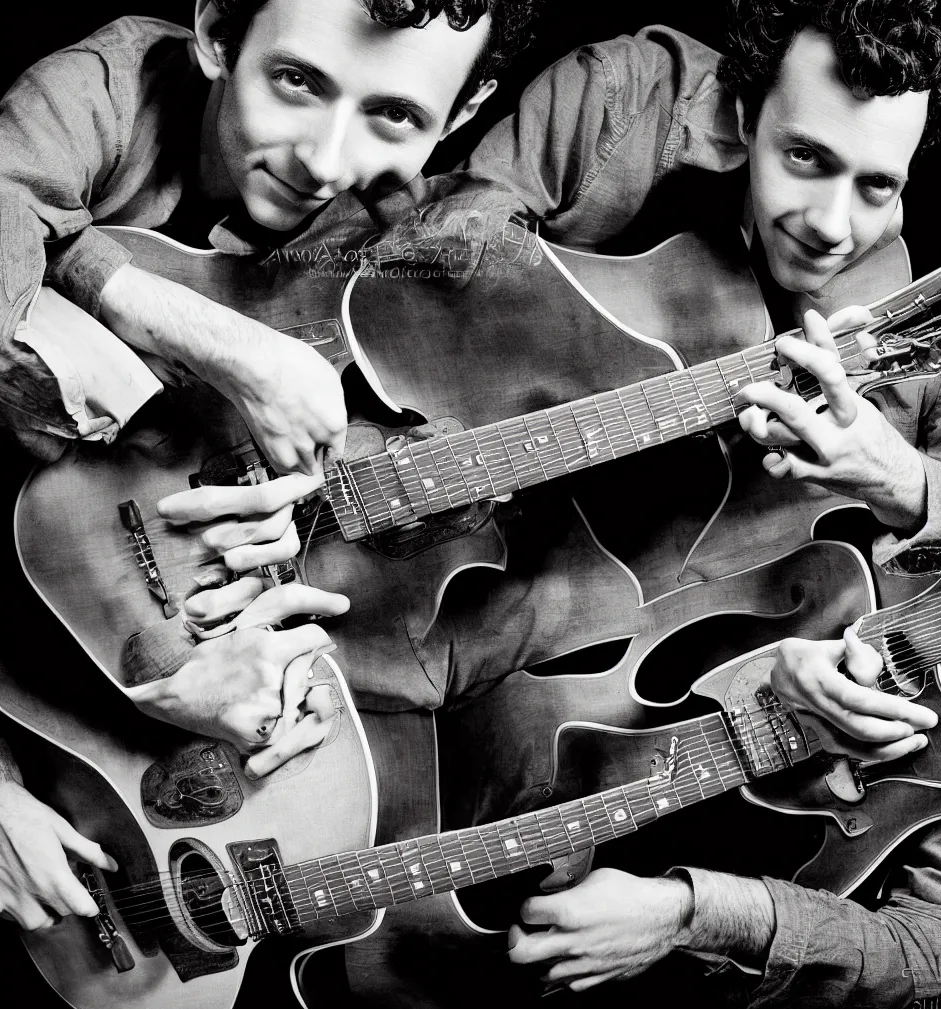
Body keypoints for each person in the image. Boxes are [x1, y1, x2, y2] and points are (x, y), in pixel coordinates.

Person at [449, 0, 941, 1009]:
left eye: (876, 185)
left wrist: (890, 479)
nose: (834, 222)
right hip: (445, 589)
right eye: (804, 157)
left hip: (601, 788)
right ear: (744, 111)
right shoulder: (632, 99)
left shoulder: (931, 362)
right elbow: (426, 257)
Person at [0, 0, 540, 935]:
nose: (324, 160)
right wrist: (228, 349)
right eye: (297, 81)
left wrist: (275, 672)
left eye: (396, 116)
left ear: (461, 114)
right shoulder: (104, 94)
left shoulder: (393, 254)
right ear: (216, 32)